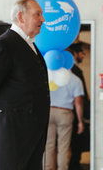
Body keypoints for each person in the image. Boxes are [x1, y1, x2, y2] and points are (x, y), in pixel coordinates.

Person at [0, 0, 50, 170]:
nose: (43, 19)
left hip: (31, 130)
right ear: (21, 17)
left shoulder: (30, 45)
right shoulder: (3, 45)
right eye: (37, 14)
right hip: (12, 129)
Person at [45, 72, 84, 170]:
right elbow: (78, 102)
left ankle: (48, 168)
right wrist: (80, 121)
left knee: (48, 146)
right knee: (63, 146)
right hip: (65, 113)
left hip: (49, 112)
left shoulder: (49, 76)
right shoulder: (75, 79)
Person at [67, 42, 91, 170]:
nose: (83, 55)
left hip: (71, 109)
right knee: (75, 141)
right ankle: (73, 165)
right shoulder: (75, 72)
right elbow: (79, 97)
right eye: (81, 53)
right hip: (74, 110)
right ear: (74, 54)